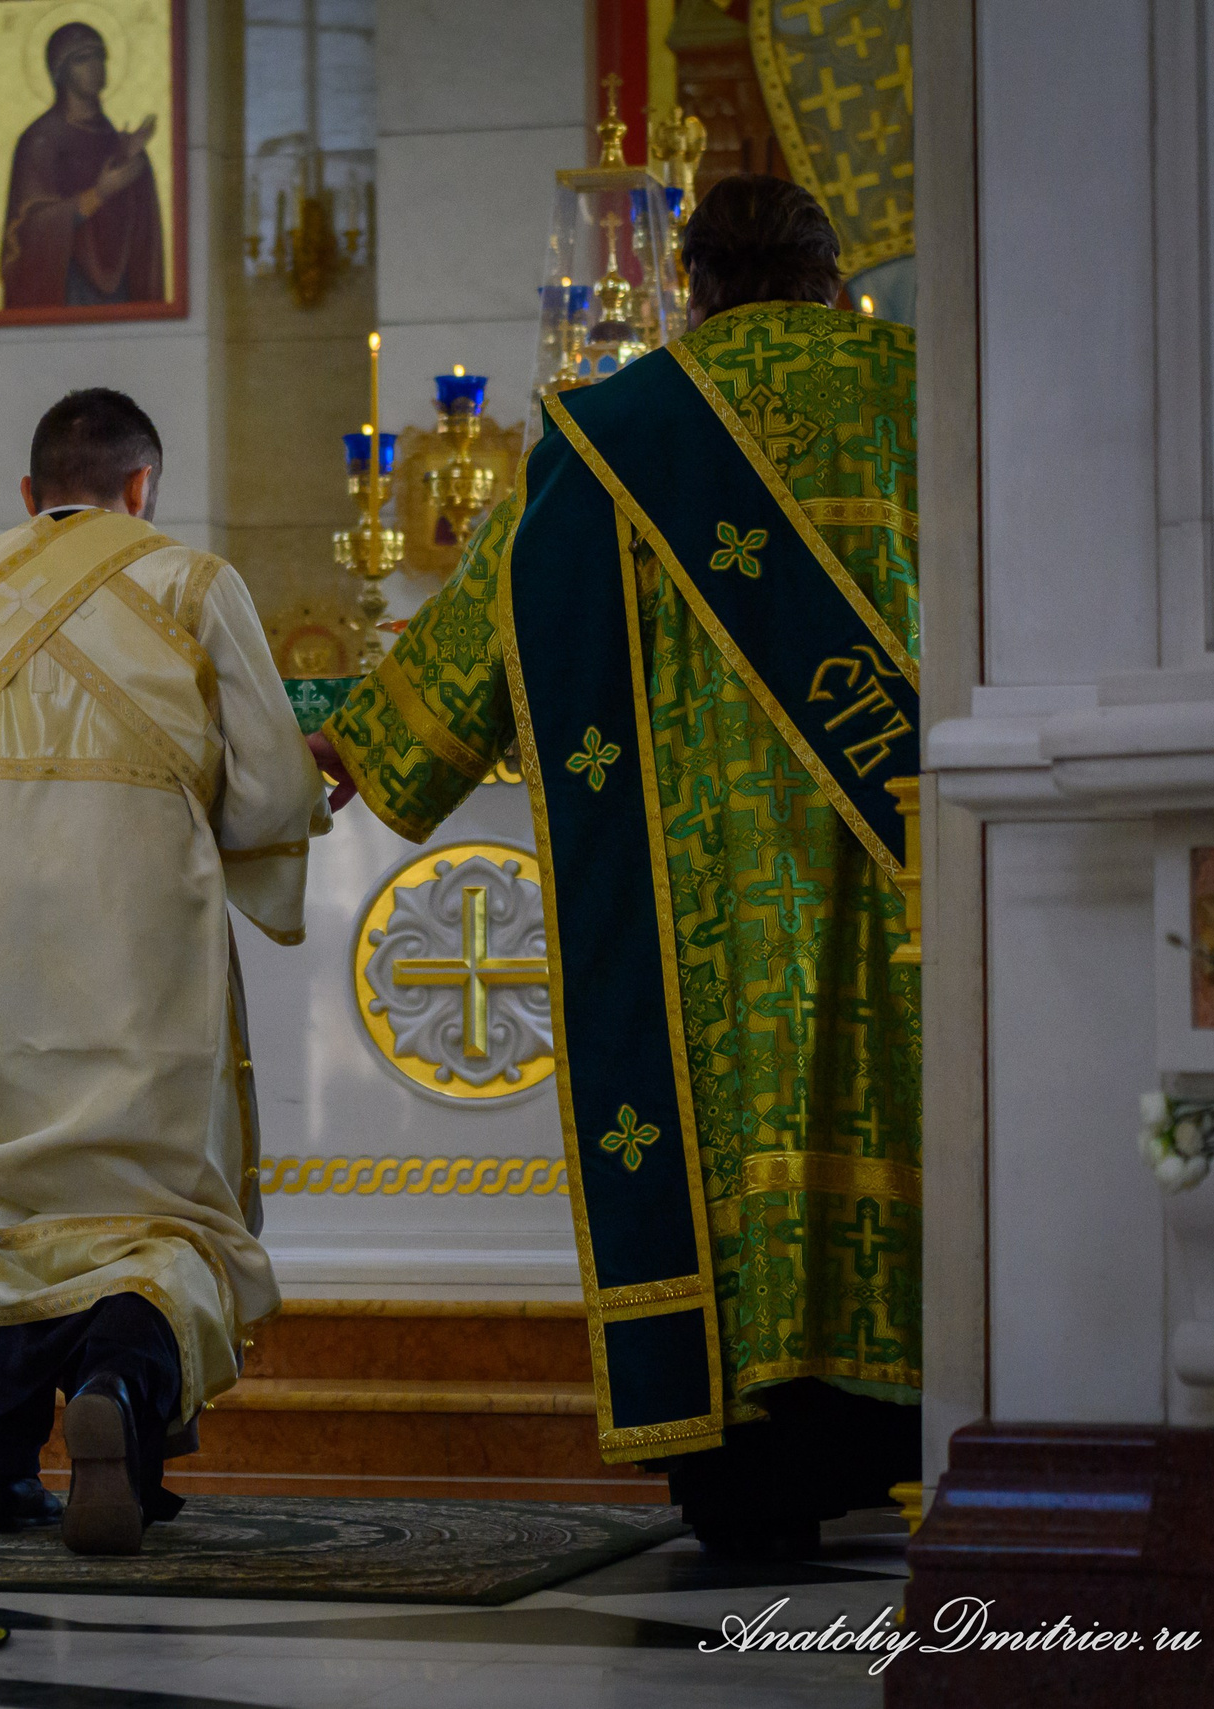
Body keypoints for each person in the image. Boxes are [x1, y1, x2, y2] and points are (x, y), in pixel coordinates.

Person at [311, 173, 923, 1558]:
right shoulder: (921, 390)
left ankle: (752, 1481)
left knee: (719, 1161)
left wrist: (355, 754)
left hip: (697, 895)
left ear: (694, 289)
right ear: (832, 280)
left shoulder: (618, 431)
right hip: (909, 871)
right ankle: (916, 1439)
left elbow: (487, 623)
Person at [0, 388, 323, 1555]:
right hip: (140, 955)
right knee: (153, 1209)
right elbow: (265, 789)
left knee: (14, 1204)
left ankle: (1, 1470)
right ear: (142, 488)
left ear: (30, 493)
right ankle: (117, 1383)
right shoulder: (193, 586)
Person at [0, 22, 163, 310]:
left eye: (100, 55)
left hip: (120, 283)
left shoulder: (113, 138)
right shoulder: (40, 138)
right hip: (67, 283)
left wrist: (133, 158)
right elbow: (28, 229)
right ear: (60, 71)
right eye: (82, 58)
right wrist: (99, 194)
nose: (95, 65)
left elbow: (134, 219)